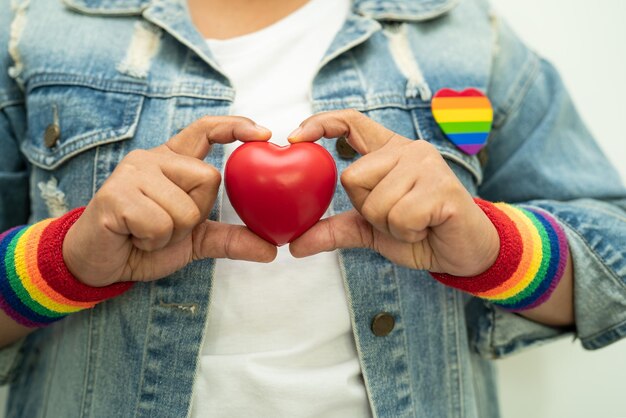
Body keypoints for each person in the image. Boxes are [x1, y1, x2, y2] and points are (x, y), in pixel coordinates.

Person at [0, 0, 624, 416]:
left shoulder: (462, 33)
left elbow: (612, 266)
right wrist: (62, 265)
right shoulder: (32, 27)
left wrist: (494, 249)